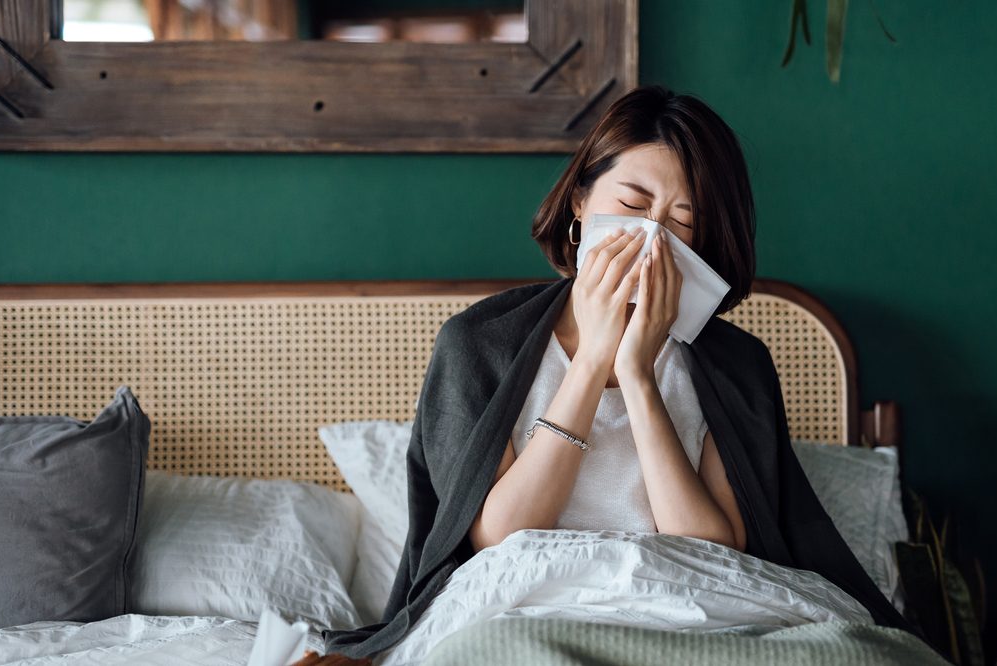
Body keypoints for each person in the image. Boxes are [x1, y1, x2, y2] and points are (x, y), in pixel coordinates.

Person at [319, 85, 910, 662]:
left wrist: (638, 373)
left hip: (696, 610)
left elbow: (712, 546)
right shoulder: (478, 346)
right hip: (528, 608)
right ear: (580, 201)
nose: (653, 238)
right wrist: (594, 358)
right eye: (632, 205)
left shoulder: (737, 365)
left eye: (682, 222)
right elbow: (500, 538)